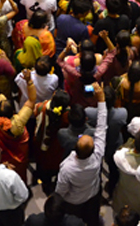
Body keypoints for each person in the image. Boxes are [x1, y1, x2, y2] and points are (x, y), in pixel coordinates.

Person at [56, 81, 108, 226]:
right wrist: (101, 100)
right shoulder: (97, 157)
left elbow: (61, 189)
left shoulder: (67, 167)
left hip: (73, 201)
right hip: (92, 195)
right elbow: (101, 127)